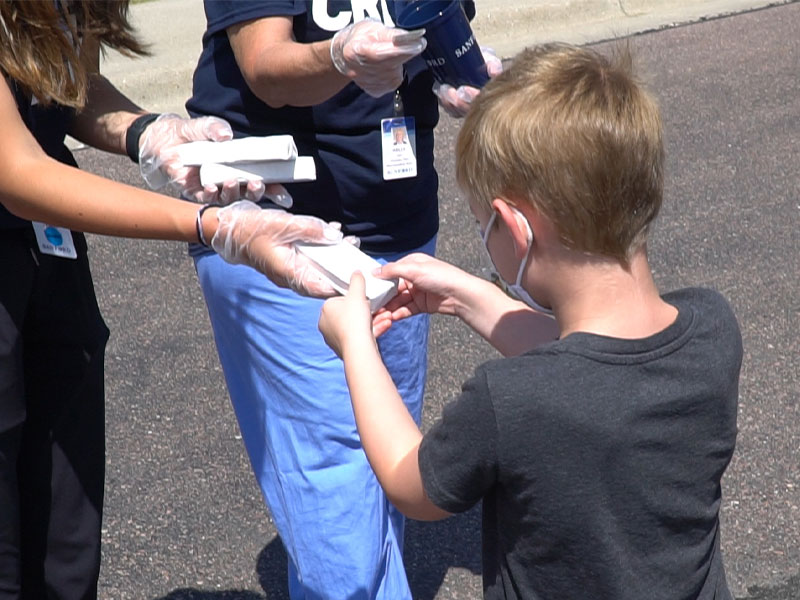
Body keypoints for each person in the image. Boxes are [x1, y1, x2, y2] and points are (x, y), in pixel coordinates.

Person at [318, 43, 742, 599]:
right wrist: (469, 297)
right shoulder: (712, 328)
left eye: (482, 226)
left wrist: (355, 346)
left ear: (514, 228)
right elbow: (600, 368)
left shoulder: (511, 399)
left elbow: (408, 479)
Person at [0, 2, 345, 598]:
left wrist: (149, 133)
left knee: (65, 523)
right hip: (26, 217)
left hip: (45, 259)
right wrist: (213, 225)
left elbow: (56, 81)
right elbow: (19, 173)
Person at [183, 1, 502, 597]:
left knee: (388, 462)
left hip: (397, 220)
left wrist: (453, 68)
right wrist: (340, 56)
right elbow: (265, 65)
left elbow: (437, 14)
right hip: (282, 231)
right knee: (336, 483)